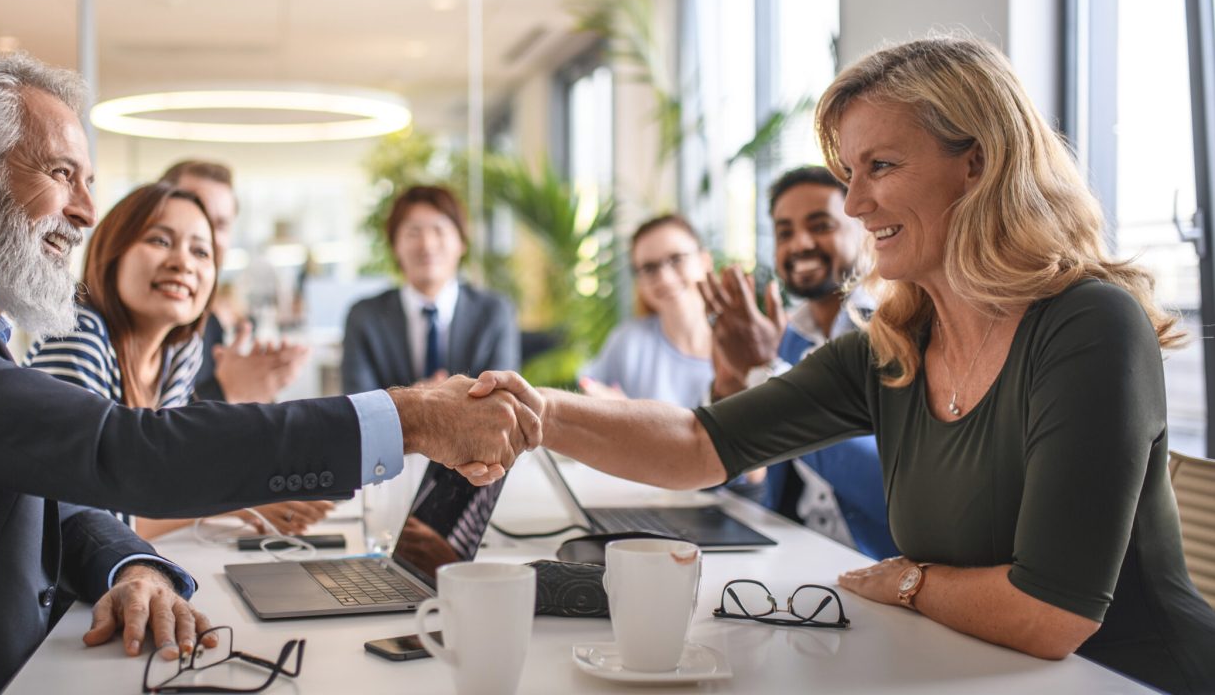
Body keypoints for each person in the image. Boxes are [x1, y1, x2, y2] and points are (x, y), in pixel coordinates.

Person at [0, 49, 537, 694]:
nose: (83, 211)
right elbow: (119, 452)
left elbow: (56, 493)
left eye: (88, 182)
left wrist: (129, 564)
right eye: (61, 174)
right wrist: (409, 417)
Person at [467, 35, 1215, 693]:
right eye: (848, 172)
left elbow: (1049, 614)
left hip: (1128, 678)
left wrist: (911, 580)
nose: (855, 203)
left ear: (978, 165)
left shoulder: (1088, 324)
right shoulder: (896, 344)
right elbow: (700, 444)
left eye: (879, 166)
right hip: (975, 671)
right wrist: (537, 413)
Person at [25, 183, 333, 539]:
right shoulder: (77, 336)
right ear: (113, 252)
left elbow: (166, 481)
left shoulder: (179, 351)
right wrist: (240, 501)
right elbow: (77, 515)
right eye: (159, 241)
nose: (183, 263)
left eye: (201, 252)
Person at [705, 166, 897, 559]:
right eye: (784, 233)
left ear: (865, 230)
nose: (799, 244)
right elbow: (733, 481)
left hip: (878, 569)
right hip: (795, 558)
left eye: (821, 225)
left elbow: (889, 490)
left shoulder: (895, 330)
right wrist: (729, 391)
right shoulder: (790, 338)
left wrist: (764, 372)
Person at [579, 213, 763, 499]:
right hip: (642, 497)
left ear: (704, 261)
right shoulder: (629, 341)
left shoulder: (745, 344)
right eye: (649, 268)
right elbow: (589, 391)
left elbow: (754, 471)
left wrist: (629, 416)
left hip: (730, 507)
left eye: (676, 259)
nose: (664, 277)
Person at [158, 159, 309, 405]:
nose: (206, 236)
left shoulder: (210, 325)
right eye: (197, 214)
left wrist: (251, 392)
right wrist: (227, 392)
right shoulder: (116, 324)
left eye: (221, 225)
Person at [341, 184, 519, 392]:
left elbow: (503, 402)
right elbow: (359, 409)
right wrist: (422, 402)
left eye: (439, 230)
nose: (427, 245)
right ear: (394, 246)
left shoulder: (494, 312)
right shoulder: (364, 317)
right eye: (413, 232)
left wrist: (415, 403)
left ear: (462, 242)